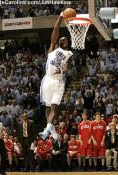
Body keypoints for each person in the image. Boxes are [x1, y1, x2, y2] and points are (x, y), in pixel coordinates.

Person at [39, 11, 73, 140]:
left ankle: (47, 130)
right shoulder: (52, 48)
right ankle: (51, 129)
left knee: (54, 106)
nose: (66, 39)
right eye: (63, 38)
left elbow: (67, 68)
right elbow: (56, 28)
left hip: (58, 81)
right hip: (47, 80)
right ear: (59, 41)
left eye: (67, 39)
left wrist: (64, 70)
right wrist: (60, 16)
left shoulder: (69, 53)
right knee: (48, 106)